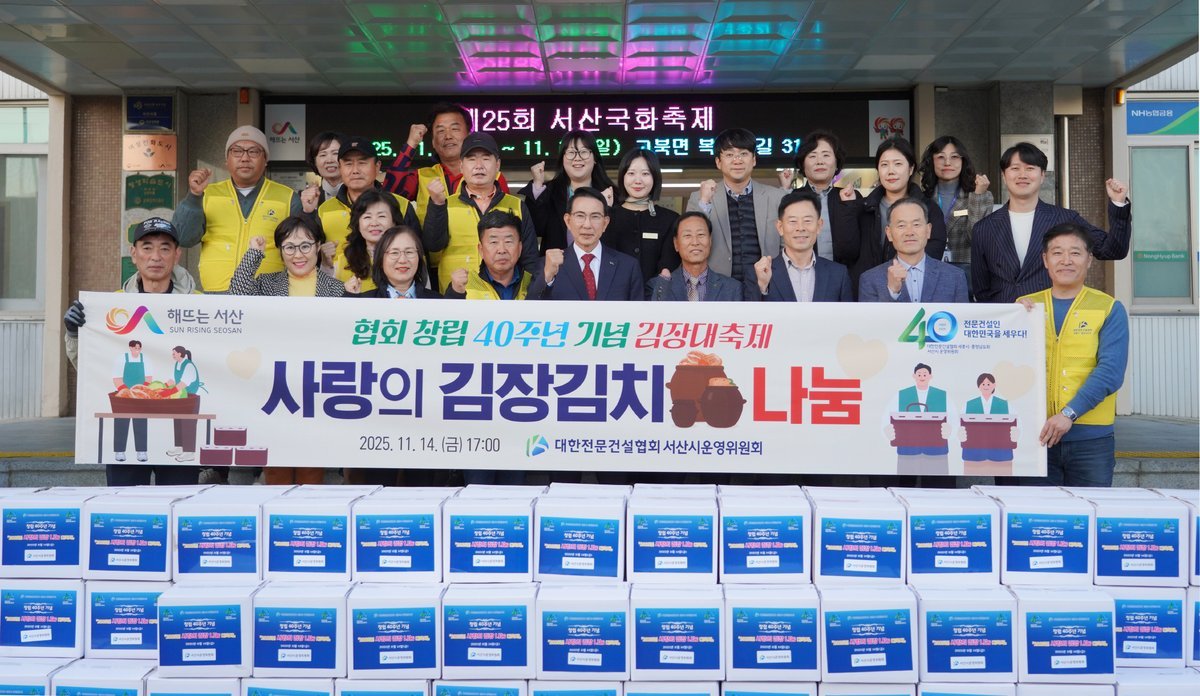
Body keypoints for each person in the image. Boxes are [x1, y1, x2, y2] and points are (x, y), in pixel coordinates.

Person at [62, 217, 201, 486]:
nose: (155, 257)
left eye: (165, 248)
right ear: (134, 254)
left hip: (177, 427)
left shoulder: (200, 306)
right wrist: (74, 334)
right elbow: (91, 368)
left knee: (179, 500)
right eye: (147, 248)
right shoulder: (112, 307)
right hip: (127, 418)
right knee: (124, 502)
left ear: (177, 255)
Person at [1017, 222, 1129, 486]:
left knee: (1090, 510)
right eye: (1057, 252)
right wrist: (1013, 318)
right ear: (1045, 260)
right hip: (1036, 436)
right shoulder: (1026, 307)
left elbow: (1110, 372)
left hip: (1091, 440)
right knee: (1036, 512)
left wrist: (1069, 414)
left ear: (1089, 259)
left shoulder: (1108, 308)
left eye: (1075, 253)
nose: (1066, 260)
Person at [972, 142, 1131, 303]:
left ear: (1042, 176)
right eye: (1015, 168)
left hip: (1052, 313)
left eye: (1030, 168)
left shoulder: (1065, 219)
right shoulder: (984, 228)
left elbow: (1112, 250)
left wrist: (1118, 204)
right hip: (1006, 315)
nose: (1022, 175)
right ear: (1004, 176)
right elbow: (981, 290)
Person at [345, 225, 442, 487]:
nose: (403, 259)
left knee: (421, 486)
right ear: (380, 259)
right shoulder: (361, 303)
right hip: (376, 412)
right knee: (378, 484)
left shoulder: (440, 303)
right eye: (394, 252)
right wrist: (347, 302)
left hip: (425, 412)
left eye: (410, 252)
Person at [173, 125, 318, 292]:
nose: (245, 158)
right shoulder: (207, 194)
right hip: (217, 293)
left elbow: (306, 248)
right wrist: (194, 196)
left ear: (265, 160)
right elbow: (183, 238)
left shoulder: (287, 197)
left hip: (267, 294)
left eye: (253, 152)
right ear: (226, 160)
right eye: (237, 151)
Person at [422, 132, 539, 292]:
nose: (479, 165)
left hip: (504, 297)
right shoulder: (445, 204)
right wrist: (436, 205)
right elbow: (432, 245)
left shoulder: (517, 205)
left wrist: (528, 295)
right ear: (461, 166)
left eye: (485, 158)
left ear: (497, 165)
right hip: (457, 295)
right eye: (471, 159)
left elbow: (530, 258)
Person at [833, 136, 948, 294]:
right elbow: (846, 252)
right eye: (884, 165)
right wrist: (848, 208)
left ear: (911, 169)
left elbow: (933, 252)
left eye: (898, 164)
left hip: (911, 291)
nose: (891, 171)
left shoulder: (928, 208)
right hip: (868, 293)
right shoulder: (864, 208)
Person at [382, 102, 510, 224]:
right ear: (433, 142)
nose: (448, 136)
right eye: (441, 131)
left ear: (469, 136)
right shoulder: (421, 177)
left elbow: (505, 222)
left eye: (455, 129)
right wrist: (411, 144)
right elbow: (389, 197)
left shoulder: (493, 177)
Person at [686, 128, 786, 280]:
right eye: (729, 155)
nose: (737, 160)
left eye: (744, 154)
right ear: (718, 162)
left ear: (754, 160)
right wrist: (704, 202)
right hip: (717, 285)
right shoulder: (699, 198)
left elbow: (787, 244)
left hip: (767, 283)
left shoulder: (777, 198)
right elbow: (691, 242)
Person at [527, 187, 644, 301]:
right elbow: (530, 308)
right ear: (568, 221)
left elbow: (638, 312)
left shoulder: (628, 267)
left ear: (605, 223)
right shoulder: (547, 264)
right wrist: (547, 276)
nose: (587, 225)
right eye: (580, 216)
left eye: (595, 217)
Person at [316, 138, 422, 258]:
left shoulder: (401, 205)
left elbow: (418, 255)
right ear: (340, 168)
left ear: (377, 167)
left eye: (362, 163)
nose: (355, 171)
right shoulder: (324, 210)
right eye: (348, 164)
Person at [745, 190, 853, 302]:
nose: (800, 228)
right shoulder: (759, 273)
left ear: (819, 225)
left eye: (807, 221)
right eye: (793, 221)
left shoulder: (838, 274)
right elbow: (749, 312)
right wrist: (762, 287)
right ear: (780, 227)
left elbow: (848, 313)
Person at [857, 197, 969, 303]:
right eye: (901, 225)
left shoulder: (955, 276)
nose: (909, 232)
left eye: (916, 224)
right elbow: (872, 317)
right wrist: (892, 292)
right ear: (889, 233)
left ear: (928, 230)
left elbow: (962, 316)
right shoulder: (870, 280)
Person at [522, 130, 616, 252]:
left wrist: (607, 209)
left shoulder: (611, 194)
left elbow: (618, 238)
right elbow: (535, 229)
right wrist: (538, 186)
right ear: (562, 158)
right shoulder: (547, 192)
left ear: (595, 159)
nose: (577, 158)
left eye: (584, 152)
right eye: (571, 153)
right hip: (557, 263)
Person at [918, 136, 993, 284]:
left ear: (963, 161)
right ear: (931, 161)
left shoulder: (981, 195)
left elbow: (977, 239)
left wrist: (977, 196)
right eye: (941, 157)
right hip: (929, 270)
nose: (947, 163)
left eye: (954, 157)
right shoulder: (921, 199)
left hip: (967, 274)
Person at [780, 129, 858, 265]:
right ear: (803, 164)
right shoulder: (793, 198)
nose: (819, 161)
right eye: (812, 156)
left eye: (826, 155)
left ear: (836, 163)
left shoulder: (851, 198)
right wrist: (784, 192)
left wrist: (849, 206)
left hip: (843, 274)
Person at [606, 147, 682, 282]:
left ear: (655, 177)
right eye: (631, 173)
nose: (638, 180)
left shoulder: (670, 219)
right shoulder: (607, 217)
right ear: (622, 176)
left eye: (645, 174)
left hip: (655, 294)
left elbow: (668, 267)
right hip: (614, 294)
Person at [229, 215, 345, 298]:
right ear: (280, 250)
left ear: (318, 246)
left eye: (305, 246)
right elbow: (237, 294)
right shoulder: (266, 283)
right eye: (290, 247)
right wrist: (254, 253)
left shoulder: (337, 288)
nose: (298, 255)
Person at [647, 212, 741, 302]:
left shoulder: (732, 288)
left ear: (710, 240)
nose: (695, 242)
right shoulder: (657, 286)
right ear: (676, 244)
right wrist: (663, 286)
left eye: (701, 234)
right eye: (687, 235)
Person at [884, 362, 957, 477]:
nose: (922, 377)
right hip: (907, 452)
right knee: (906, 483)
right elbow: (886, 419)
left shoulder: (942, 395)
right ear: (914, 376)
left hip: (937, 452)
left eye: (925, 374)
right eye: (919, 374)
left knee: (938, 483)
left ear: (930, 376)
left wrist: (950, 431)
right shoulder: (901, 394)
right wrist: (889, 432)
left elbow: (955, 420)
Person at [445, 210, 532, 300]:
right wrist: (456, 292)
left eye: (508, 242)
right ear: (481, 250)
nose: (502, 250)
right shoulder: (465, 285)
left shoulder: (533, 283)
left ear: (520, 248)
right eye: (494, 242)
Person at [333, 189, 404, 295]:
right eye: (367, 217)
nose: (374, 223)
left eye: (381, 216)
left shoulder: (409, 257)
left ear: (394, 221)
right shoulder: (342, 262)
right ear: (358, 224)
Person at [959, 373, 1018, 476]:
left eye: (988, 384)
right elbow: (960, 427)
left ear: (994, 385)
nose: (986, 386)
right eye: (983, 384)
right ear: (979, 386)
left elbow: (1016, 425)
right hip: (973, 455)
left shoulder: (1005, 404)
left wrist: (1015, 434)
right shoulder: (969, 404)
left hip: (1001, 455)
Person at [164, 346, 202, 463]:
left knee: (188, 424)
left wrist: (169, 392)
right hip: (180, 397)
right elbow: (172, 380)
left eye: (174, 353)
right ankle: (179, 447)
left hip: (191, 398)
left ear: (180, 354)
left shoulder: (189, 365)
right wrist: (163, 387)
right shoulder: (177, 364)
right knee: (178, 422)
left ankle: (189, 452)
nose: (172, 355)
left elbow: (183, 384)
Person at [305, 130, 346, 205]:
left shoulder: (363, 196)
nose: (329, 160)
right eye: (323, 155)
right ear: (314, 162)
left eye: (335, 153)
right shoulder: (309, 198)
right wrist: (307, 210)